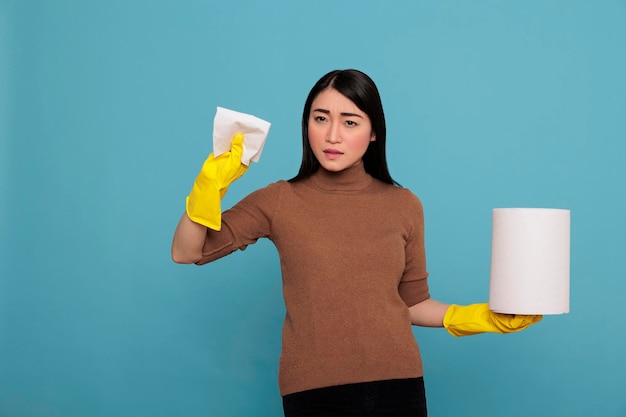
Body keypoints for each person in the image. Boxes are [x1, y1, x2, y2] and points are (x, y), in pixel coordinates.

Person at [171, 69, 542, 417]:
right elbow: (187, 251)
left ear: (374, 132)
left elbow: (412, 304)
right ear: (307, 125)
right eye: (321, 118)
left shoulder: (404, 204)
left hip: (400, 385)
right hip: (314, 391)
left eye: (350, 122)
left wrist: (480, 316)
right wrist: (209, 186)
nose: (333, 135)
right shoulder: (279, 200)